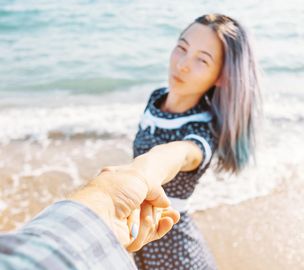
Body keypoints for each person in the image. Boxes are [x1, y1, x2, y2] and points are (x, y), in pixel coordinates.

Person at [132, 14, 262, 269]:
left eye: (202, 60)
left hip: (176, 255)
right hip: (145, 242)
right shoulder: (157, 98)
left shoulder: (202, 131)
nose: (182, 65)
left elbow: (179, 154)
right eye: (182, 48)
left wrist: (140, 172)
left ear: (220, 77)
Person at [0, 157, 181, 270]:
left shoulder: (200, 125)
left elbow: (184, 152)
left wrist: (109, 198)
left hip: (163, 221)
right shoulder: (156, 100)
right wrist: (108, 201)